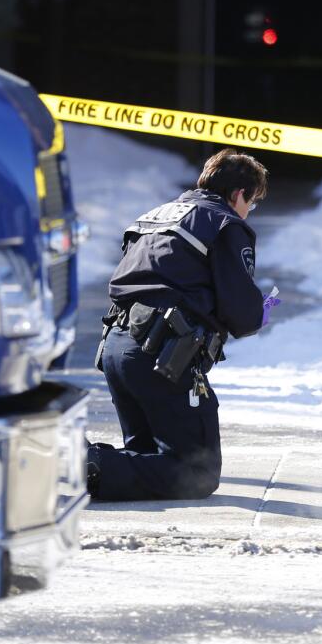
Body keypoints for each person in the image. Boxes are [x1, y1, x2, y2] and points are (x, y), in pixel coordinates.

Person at [87, 148, 268, 501]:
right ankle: (82, 462)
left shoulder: (156, 215)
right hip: (161, 357)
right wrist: (261, 309)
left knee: (148, 459)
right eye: (253, 202)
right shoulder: (225, 223)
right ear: (239, 195)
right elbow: (243, 314)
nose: (249, 211)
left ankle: (87, 466)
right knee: (195, 473)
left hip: (117, 348)